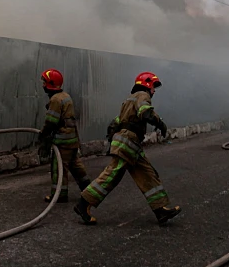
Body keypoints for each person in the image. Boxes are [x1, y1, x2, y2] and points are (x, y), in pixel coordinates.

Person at [75, 72, 182, 225]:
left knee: (147, 174)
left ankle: (160, 210)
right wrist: (160, 123)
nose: (154, 90)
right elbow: (145, 111)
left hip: (131, 144)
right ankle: (83, 204)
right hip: (128, 143)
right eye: (153, 86)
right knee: (112, 175)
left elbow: (116, 121)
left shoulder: (129, 99)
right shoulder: (142, 95)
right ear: (147, 84)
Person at [38, 69, 91, 203]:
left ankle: (59, 194)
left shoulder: (56, 100)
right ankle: (89, 190)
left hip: (62, 141)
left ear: (50, 83)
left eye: (44, 82)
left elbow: (51, 121)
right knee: (75, 166)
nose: (43, 85)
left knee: (58, 168)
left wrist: (43, 135)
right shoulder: (65, 96)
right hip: (72, 140)